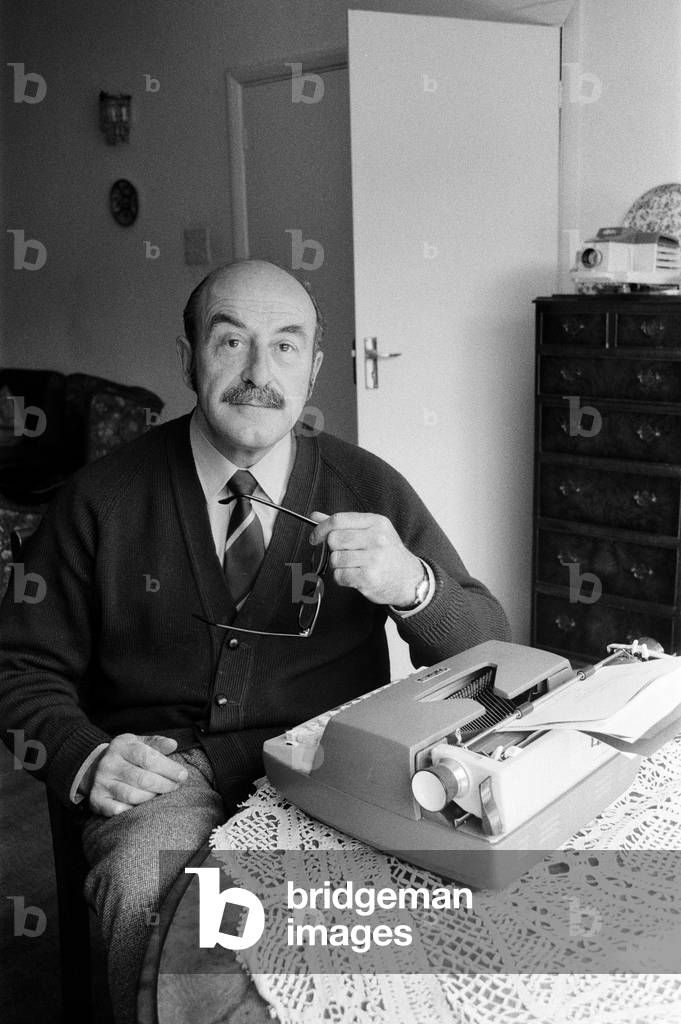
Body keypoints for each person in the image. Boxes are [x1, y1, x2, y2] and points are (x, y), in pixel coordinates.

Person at [0, 259, 510, 1023]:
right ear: (187, 360)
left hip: (334, 770)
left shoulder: (367, 486)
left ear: (313, 369)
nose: (256, 373)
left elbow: (488, 656)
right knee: (149, 898)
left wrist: (414, 585)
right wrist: (83, 756)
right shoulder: (100, 499)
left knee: (431, 913)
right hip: (164, 778)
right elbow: (18, 667)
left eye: (283, 346)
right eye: (229, 342)